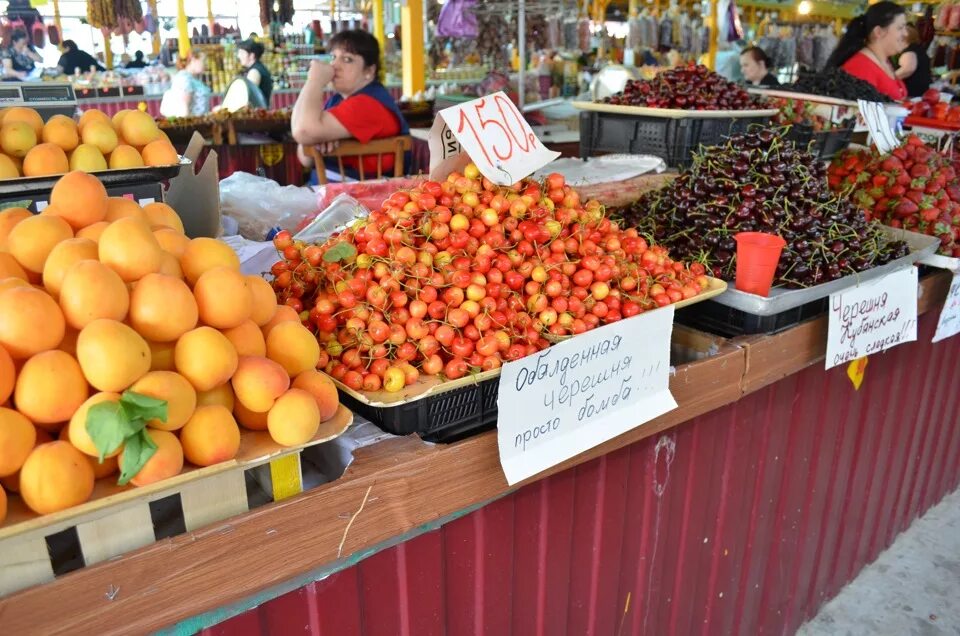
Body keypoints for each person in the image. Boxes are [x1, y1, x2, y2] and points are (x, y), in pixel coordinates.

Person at [291, 29, 409, 181]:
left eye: (347, 59)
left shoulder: (367, 105)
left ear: (369, 70)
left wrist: (315, 80)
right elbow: (305, 156)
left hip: (358, 201)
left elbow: (302, 131)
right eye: (333, 57)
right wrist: (315, 139)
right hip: (333, 196)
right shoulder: (338, 100)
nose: (334, 65)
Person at [825, 1, 908, 101]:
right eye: (900, 28)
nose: (906, 33)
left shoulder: (885, 62)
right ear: (878, 32)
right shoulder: (860, 67)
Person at [160, 49, 211, 117]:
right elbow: (184, 110)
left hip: (199, 122)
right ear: (193, 59)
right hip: (194, 124)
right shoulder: (184, 78)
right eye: (203, 60)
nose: (206, 64)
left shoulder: (192, 78)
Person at [897, 24, 932, 98]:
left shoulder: (909, 52)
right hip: (921, 92)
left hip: (912, 93)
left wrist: (890, 78)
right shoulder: (919, 49)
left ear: (904, 38)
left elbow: (907, 70)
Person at [237, 39, 273, 104]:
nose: (239, 56)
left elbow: (247, 96)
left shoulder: (254, 72)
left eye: (242, 53)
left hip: (258, 112)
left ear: (251, 55)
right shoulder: (259, 67)